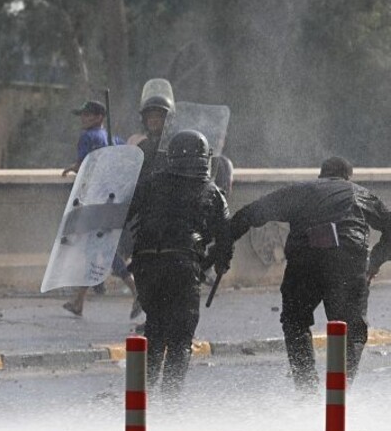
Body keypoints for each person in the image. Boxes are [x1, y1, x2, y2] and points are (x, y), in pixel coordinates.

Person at [211, 157, 391, 389]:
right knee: (353, 330)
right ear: (348, 177)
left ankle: (307, 389)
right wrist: (374, 262)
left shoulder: (299, 191)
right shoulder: (359, 193)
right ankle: (340, 390)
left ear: (320, 175)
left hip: (305, 263)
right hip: (347, 262)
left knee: (295, 322)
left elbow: (248, 214)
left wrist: (222, 252)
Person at [124, 130, 228, 397]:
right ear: (204, 157)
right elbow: (225, 237)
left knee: (155, 326)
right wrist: (216, 264)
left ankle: (144, 394)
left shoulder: (150, 183)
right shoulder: (212, 192)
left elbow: (122, 213)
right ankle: (170, 402)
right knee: (181, 336)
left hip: (145, 265)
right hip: (182, 266)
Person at [61, 100, 139, 317]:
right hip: (114, 200)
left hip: (98, 202)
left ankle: (136, 290)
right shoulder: (113, 138)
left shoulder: (88, 137)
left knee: (104, 250)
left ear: (99, 117)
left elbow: (85, 165)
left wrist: (73, 168)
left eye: (87, 115)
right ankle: (78, 301)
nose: (83, 119)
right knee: (93, 250)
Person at [126, 94, 173, 180]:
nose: (153, 120)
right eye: (150, 116)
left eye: (158, 116)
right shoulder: (140, 142)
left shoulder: (173, 142)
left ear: (167, 119)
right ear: (144, 120)